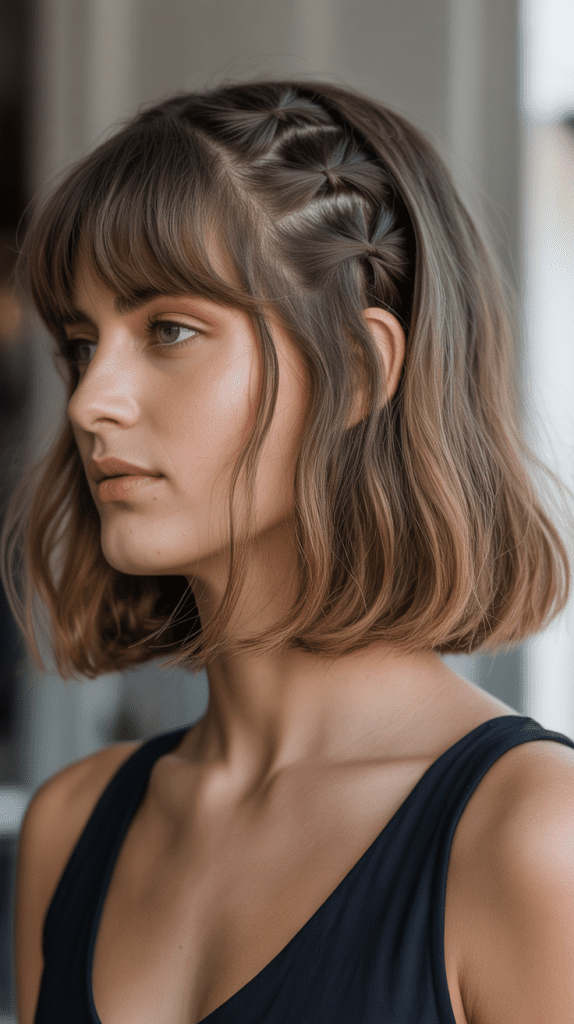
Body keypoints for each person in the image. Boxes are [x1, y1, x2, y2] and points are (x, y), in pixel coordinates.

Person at [3, 78, 574, 1024]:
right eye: (78, 342)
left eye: (169, 330)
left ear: (358, 366)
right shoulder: (71, 828)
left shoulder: (532, 839)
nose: (89, 401)